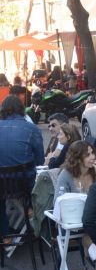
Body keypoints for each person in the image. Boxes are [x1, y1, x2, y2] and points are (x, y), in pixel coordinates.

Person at [0, 95, 44, 240]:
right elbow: (40, 160)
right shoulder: (32, 129)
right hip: (24, 185)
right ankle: (29, 209)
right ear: (21, 109)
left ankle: (5, 235)